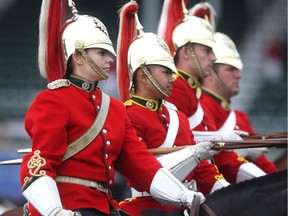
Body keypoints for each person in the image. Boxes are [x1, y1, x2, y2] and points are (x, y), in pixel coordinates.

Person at [19, 0, 206, 215]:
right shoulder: (52, 100)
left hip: (104, 206)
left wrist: (182, 195)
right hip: (67, 206)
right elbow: (38, 166)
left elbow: (140, 163)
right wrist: (54, 211)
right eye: (101, 53)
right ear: (78, 57)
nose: (111, 59)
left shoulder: (114, 108)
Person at [115, 2, 229, 215]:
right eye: (166, 72)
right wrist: (194, 154)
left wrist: (233, 194)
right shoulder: (128, 115)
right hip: (147, 208)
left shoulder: (177, 115)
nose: (173, 77)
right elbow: (143, 173)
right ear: (143, 75)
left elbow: (203, 172)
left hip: (189, 206)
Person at [158, 0, 266, 184]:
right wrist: (222, 139)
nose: (213, 57)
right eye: (207, 51)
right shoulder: (174, 89)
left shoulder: (192, 93)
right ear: (186, 53)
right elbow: (182, 143)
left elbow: (222, 159)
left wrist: (265, 181)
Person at [200, 32, 278, 174]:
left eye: (237, 69)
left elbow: (262, 163)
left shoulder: (239, 117)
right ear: (210, 73)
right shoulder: (199, 109)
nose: (239, 75)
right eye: (230, 69)